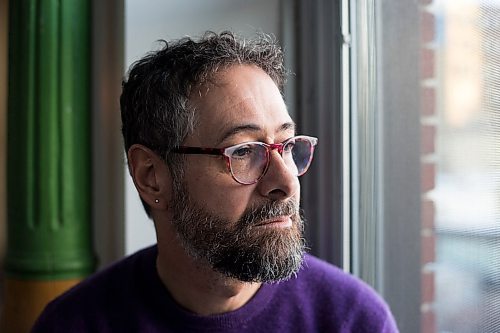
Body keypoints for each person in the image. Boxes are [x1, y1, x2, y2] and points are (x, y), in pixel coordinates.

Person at [32, 31, 398, 332]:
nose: (287, 183)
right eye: (243, 151)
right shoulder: (73, 324)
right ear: (151, 176)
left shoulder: (352, 320)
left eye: (286, 146)